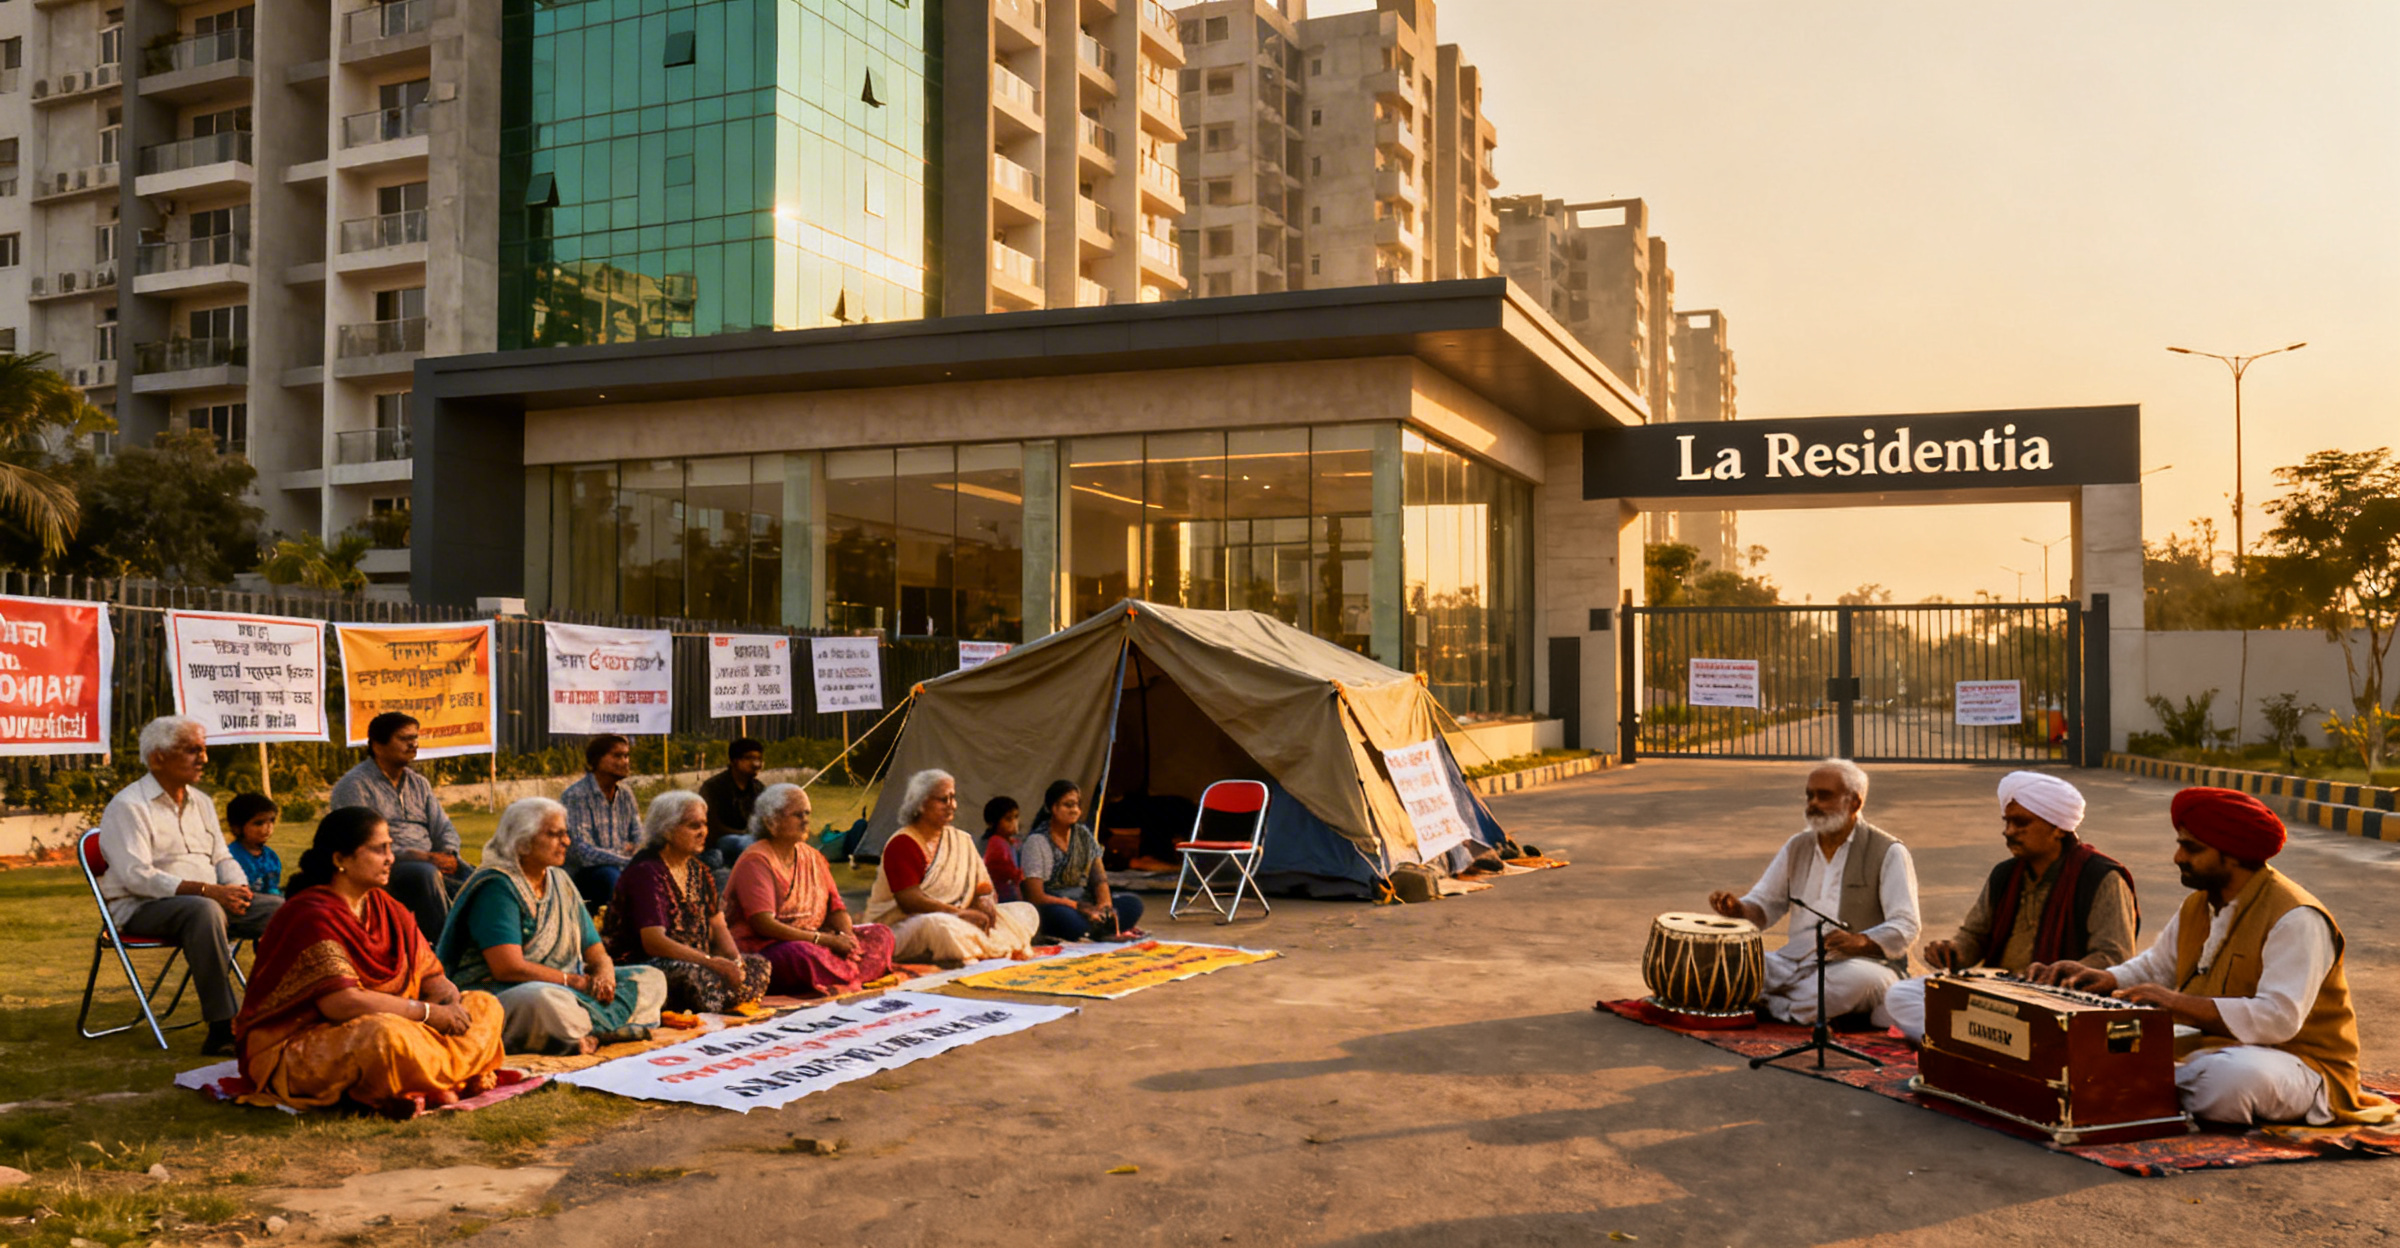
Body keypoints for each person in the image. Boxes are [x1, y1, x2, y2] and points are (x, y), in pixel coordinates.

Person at [2032, 788, 2397, 1127]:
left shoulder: (2296, 918)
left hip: (2302, 1064)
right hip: (2211, 1049)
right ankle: (2149, 1082)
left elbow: (2278, 1020)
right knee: (2104, 1047)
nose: (2178, 857)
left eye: (2191, 849)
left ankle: (2144, 1082)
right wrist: (2106, 978)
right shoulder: (2198, 904)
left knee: (2230, 1080)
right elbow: (2158, 966)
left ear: (2232, 853)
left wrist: (2178, 1003)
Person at [232, 807, 505, 1114]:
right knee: (383, 1036)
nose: (391, 858)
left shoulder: (386, 907)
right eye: (380, 849)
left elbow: (433, 977)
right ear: (340, 860)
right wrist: (427, 1013)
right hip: (305, 1043)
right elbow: (341, 1004)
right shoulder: (310, 915)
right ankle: (447, 1078)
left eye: (390, 848)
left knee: (484, 1005)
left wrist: (449, 1003)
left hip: (405, 1024)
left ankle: (425, 1081)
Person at [1884, 771, 2136, 1042]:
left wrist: (2061, 973)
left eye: (2021, 823)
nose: (2009, 832)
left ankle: (1973, 1041)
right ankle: (1987, 1042)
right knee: (1900, 995)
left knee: (2003, 1026)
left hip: (2061, 1001)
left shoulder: (2101, 877)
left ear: (2058, 828)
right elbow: (1975, 935)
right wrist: (1953, 951)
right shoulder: (2005, 874)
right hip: (2001, 990)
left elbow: (2113, 957)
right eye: (2007, 822)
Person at [97, 716, 286, 1056]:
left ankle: (281, 1010)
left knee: (285, 910)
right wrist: (208, 891)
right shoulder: (129, 807)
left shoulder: (201, 802)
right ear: (158, 758)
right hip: (143, 907)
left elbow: (223, 858)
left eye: (204, 749)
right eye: (192, 750)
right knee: (205, 910)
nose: (204, 758)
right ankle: (221, 1028)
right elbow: (136, 876)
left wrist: (237, 889)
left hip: (210, 901)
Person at [435, 797, 667, 1055]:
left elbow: (595, 949)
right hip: (505, 991)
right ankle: (596, 1030)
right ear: (523, 842)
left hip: (569, 988)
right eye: (554, 834)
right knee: (544, 1001)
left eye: (565, 833)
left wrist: (605, 975)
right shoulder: (497, 887)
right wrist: (574, 982)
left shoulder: (560, 880)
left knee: (652, 979)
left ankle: (588, 1033)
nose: (566, 841)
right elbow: (508, 968)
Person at [1707, 759, 1920, 1026]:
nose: (1813, 804)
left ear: (1855, 802)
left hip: (1860, 965)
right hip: (1794, 961)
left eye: (1824, 796)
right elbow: (1764, 904)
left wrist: (1861, 941)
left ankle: (1770, 1005)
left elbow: (1906, 924)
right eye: (1809, 795)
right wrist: (1739, 910)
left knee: (1854, 981)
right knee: (1729, 960)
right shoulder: (1798, 846)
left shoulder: (1888, 851)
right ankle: (1805, 1009)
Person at [602, 791, 771, 1014]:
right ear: (668, 830)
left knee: (758, 966)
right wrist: (711, 962)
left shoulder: (699, 871)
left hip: (698, 961)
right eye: (693, 826)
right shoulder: (646, 871)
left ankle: (714, 1001)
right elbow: (654, 942)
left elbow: (718, 925)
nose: (703, 832)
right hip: (648, 963)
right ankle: (712, 1003)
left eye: (704, 824)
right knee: (693, 975)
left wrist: (735, 963)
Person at [727, 784, 894, 996]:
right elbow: (763, 924)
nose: (805, 820)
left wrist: (847, 938)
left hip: (820, 941)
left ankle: (846, 973)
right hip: (768, 946)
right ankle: (853, 974)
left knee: (882, 934)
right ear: (771, 822)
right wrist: (823, 940)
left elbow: (836, 909)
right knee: (802, 956)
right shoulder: (756, 860)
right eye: (797, 815)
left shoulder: (813, 857)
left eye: (807, 813)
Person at [865, 769, 1040, 964]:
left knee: (1025, 912)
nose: (952, 806)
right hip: (906, 925)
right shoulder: (902, 843)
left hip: (961, 919)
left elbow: (983, 887)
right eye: (943, 800)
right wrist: (958, 914)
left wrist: (985, 901)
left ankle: (969, 949)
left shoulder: (961, 840)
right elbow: (909, 900)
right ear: (921, 803)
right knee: (939, 927)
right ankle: (975, 949)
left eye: (953, 798)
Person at [329, 712, 466, 941]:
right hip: (386, 867)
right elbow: (360, 842)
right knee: (426, 874)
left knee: (483, 878)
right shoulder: (354, 785)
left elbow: (443, 828)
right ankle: (446, 950)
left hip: (430, 861)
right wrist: (421, 857)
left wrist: (448, 853)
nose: (413, 744)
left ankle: (495, 951)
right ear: (377, 746)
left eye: (414, 737)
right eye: (404, 738)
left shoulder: (418, 783)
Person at [1019, 780, 1145, 941]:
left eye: (1077, 805)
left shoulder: (1083, 835)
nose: (1074, 810)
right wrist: (1078, 907)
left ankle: (1098, 928)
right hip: (1055, 904)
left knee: (1133, 904)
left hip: (1084, 900)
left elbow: (1099, 879)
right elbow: (1035, 896)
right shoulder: (1037, 841)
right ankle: (1095, 931)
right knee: (1067, 919)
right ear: (1052, 808)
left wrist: (1104, 907)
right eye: (1068, 805)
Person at [561, 734, 642, 910]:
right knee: (610, 875)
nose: (625, 761)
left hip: (622, 866)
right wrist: (623, 856)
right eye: (617, 756)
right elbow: (582, 853)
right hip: (585, 875)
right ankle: (617, 932)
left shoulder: (626, 795)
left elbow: (639, 839)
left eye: (626, 756)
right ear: (596, 760)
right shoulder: (576, 796)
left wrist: (633, 854)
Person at [697, 737, 767, 883]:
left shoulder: (758, 788)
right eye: (750, 758)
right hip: (718, 845)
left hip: (751, 840)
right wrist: (744, 834)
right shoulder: (714, 787)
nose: (756, 764)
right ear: (734, 761)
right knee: (746, 843)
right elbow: (712, 826)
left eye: (759, 759)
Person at [224, 793, 284, 899]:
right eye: (259, 823)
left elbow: (273, 887)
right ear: (237, 828)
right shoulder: (230, 857)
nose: (268, 827)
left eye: (272, 821)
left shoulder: (271, 857)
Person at [982, 796, 1025, 904]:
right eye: (1008, 819)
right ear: (992, 823)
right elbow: (1009, 873)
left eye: (1016, 817)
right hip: (1001, 898)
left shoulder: (1014, 842)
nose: (1014, 822)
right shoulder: (996, 843)